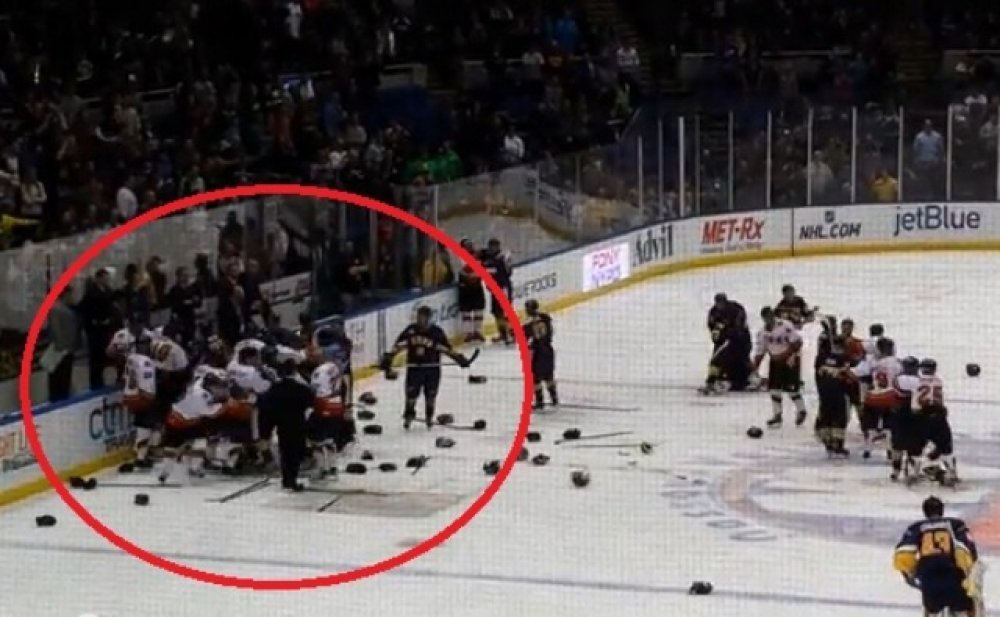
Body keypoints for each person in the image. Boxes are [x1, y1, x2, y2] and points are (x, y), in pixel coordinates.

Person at [380, 306, 471, 429]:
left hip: (432, 369)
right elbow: (399, 346)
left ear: (428, 318)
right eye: (418, 317)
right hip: (414, 369)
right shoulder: (410, 330)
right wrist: (389, 358)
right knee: (411, 395)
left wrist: (458, 358)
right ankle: (409, 415)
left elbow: (447, 349)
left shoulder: (437, 332)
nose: (419, 320)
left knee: (430, 396)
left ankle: (429, 416)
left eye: (422, 317)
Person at [893, 496, 984, 617]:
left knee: (930, 607)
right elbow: (966, 547)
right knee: (969, 604)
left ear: (925, 512)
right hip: (951, 571)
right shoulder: (956, 524)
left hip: (928, 573)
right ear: (942, 510)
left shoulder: (915, 527)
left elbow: (903, 553)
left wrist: (910, 574)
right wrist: (968, 570)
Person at [258, 350, 314, 491]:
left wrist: (266, 431)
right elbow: (310, 406)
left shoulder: (274, 390)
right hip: (297, 424)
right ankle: (291, 479)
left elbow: (267, 409)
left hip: (281, 425)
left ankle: (287, 479)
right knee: (295, 452)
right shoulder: (302, 389)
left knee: (285, 451)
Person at [753, 306, 808, 428]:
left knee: (791, 388)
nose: (769, 319)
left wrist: (785, 355)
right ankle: (777, 415)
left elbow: (797, 342)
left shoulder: (785, 326)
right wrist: (755, 367)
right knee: (774, 388)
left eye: (770, 316)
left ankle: (801, 410)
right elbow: (760, 350)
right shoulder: (762, 333)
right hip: (775, 360)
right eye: (766, 317)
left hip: (790, 360)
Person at [700, 293, 753, 394]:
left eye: (721, 303)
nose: (719, 305)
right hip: (724, 340)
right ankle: (712, 381)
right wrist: (717, 336)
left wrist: (727, 333)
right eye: (718, 303)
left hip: (741, 340)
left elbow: (739, 326)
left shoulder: (736, 309)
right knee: (716, 359)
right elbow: (712, 326)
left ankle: (750, 377)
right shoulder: (713, 312)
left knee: (741, 360)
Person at [77, 268, 121, 389]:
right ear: (99, 278)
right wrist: (92, 322)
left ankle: (102, 381)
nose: (107, 281)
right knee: (96, 358)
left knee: (105, 357)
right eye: (105, 278)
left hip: (106, 329)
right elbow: (84, 310)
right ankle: (96, 383)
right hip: (95, 330)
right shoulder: (91, 293)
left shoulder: (109, 291)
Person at [812, 316, 850, 457]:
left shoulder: (821, 358)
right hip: (838, 394)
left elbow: (818, 373)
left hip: (824, 392)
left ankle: (827, 442)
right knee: (839, 417)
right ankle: (838, 444)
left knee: (826, 415)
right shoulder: (844, 359)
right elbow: (847, 375)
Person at [44, 286, 80, 401]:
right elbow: (56, 330)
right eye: (71, 295)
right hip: (60, 351)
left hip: (67, 350)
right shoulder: (56, 309)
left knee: (65, 380)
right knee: (59, 380)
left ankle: (63, 398)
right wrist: (62, 346)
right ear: (66, 294)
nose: (73, 297)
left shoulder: (67, 309)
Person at [524, 299, 558, 410]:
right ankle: (554, 398)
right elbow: (551, 332)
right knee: (549, 374)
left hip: (538, 351)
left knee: (535, 377)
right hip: (548, 349)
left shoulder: (529, 323)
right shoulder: (546, 318)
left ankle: (540, 401)